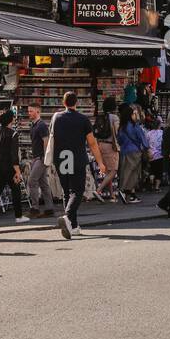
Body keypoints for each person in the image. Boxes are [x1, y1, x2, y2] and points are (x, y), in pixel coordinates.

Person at [50, 91, 104, 239]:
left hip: (61, 158)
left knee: (67, 191)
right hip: (76, 158)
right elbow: (92, 143)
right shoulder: (82, 119)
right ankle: (68, 217)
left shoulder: (56, 117)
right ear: (76, 103)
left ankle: (73, 226)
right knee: (78, 191)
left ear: (63, 102)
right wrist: (100, 162)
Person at [24, 103, 55, 218]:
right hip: (38, 157)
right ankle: (49, 208)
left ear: (37, 111)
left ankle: (35, 208)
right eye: (28, 111)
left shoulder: (41, 125)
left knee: (32, 181)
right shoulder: (34, 125)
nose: (29, 113)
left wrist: (45, 157)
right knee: (43, 183)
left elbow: (46, 142)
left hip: (41, 158)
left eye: (31, 111)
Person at [92, 97, 120, 201]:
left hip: (100, 144)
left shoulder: (101, 116)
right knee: (113, 170)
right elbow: (117, 133)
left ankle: (111, 195)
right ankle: (98, 190)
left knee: (108, 170)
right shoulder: (114, 118)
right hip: (110, 145)